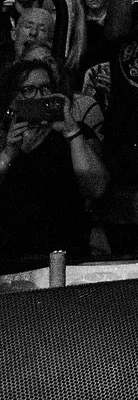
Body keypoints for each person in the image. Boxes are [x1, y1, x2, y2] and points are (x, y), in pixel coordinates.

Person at [0, 46, 108, 273]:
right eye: (29, 89)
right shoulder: (3, 138)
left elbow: (96, 188)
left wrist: (72, 134)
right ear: (12, 99)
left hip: (65, 256)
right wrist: (9, 153)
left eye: (45, 88)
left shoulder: (73, 133)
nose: (40, 96)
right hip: (9, 257)